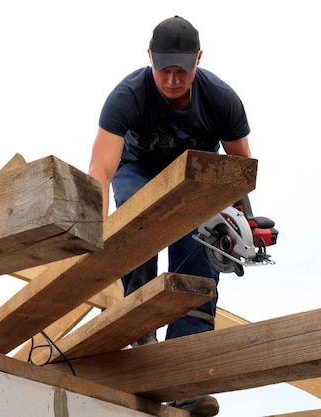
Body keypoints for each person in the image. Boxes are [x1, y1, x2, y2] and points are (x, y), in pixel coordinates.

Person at [88, 16, 252, 417]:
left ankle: (186, 375)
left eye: (182, 71)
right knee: (137, 219)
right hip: (136, 171)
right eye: (165, 70)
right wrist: (94, 232)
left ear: (199, 59)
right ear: (150, 59)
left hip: (196, 181)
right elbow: (101, 170)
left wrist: (241, 226)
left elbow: (242, 168)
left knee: (199, 249)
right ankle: (141, 331)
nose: (173, 80)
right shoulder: (128, 96)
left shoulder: (220, 100)